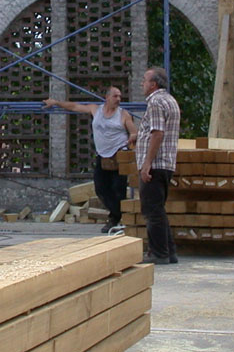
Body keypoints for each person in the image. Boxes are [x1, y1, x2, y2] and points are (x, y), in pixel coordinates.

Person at [43, 86, 139, 233]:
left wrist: (132, 137)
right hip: (103, 156)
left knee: (118, 190)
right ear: (107, 97)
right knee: (100, 188)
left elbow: (133, 132)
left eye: (120, 96)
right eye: (115, 96)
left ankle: (114, 219)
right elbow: (75, 106)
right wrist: (56, 102)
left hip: (119, 155)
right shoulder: (96, 110)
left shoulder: (123, 114)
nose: (118, 99)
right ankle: (119, 215)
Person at [136, 66, 181, 264]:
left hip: (155, 164)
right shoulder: (170, 100)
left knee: (152, 211)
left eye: (144, 80)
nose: (142, 84)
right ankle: (169, 252)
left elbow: (158, 133)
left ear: (153, 84)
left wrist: (147, 163)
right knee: (159, 210)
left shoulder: (155, 102)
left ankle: (159, 253)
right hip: (167, 163)